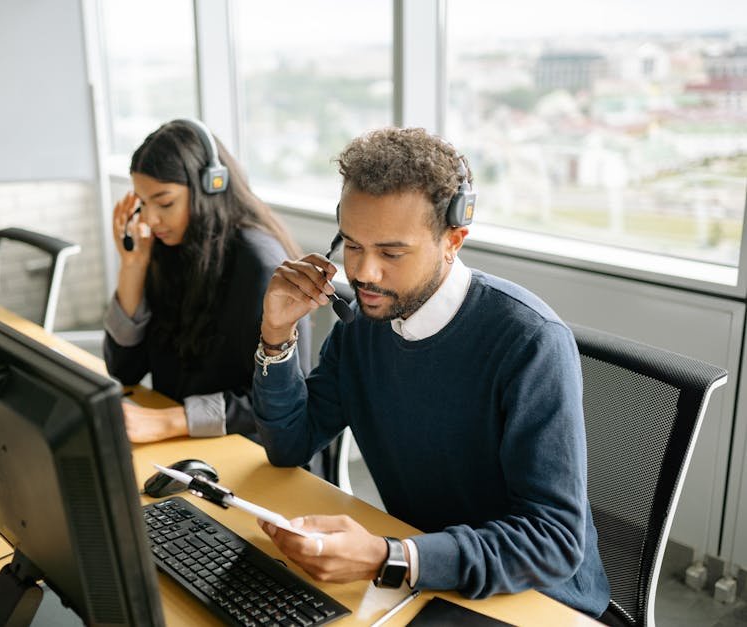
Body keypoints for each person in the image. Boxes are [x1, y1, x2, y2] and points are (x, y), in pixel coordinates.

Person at [250, 127, 610, 617]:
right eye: (351, 245)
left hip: (533, 600)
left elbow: (553, 540)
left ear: (453, 241)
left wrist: (391, 556)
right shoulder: (363, 326)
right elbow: (290, 444)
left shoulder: (530, 341)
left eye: (391, 253)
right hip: (423, 575)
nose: (364, 273)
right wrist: (276, 334)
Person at [103, 118, 310, 443]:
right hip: (186, 443)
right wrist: (133, 267)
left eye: (165, 202)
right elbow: (124, 370)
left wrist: (172, 421)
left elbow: (281, 399)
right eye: (142, 203)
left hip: (251, 451)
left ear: (211, 185)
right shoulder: (169, 248)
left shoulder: (259, 265)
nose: (149, 219)